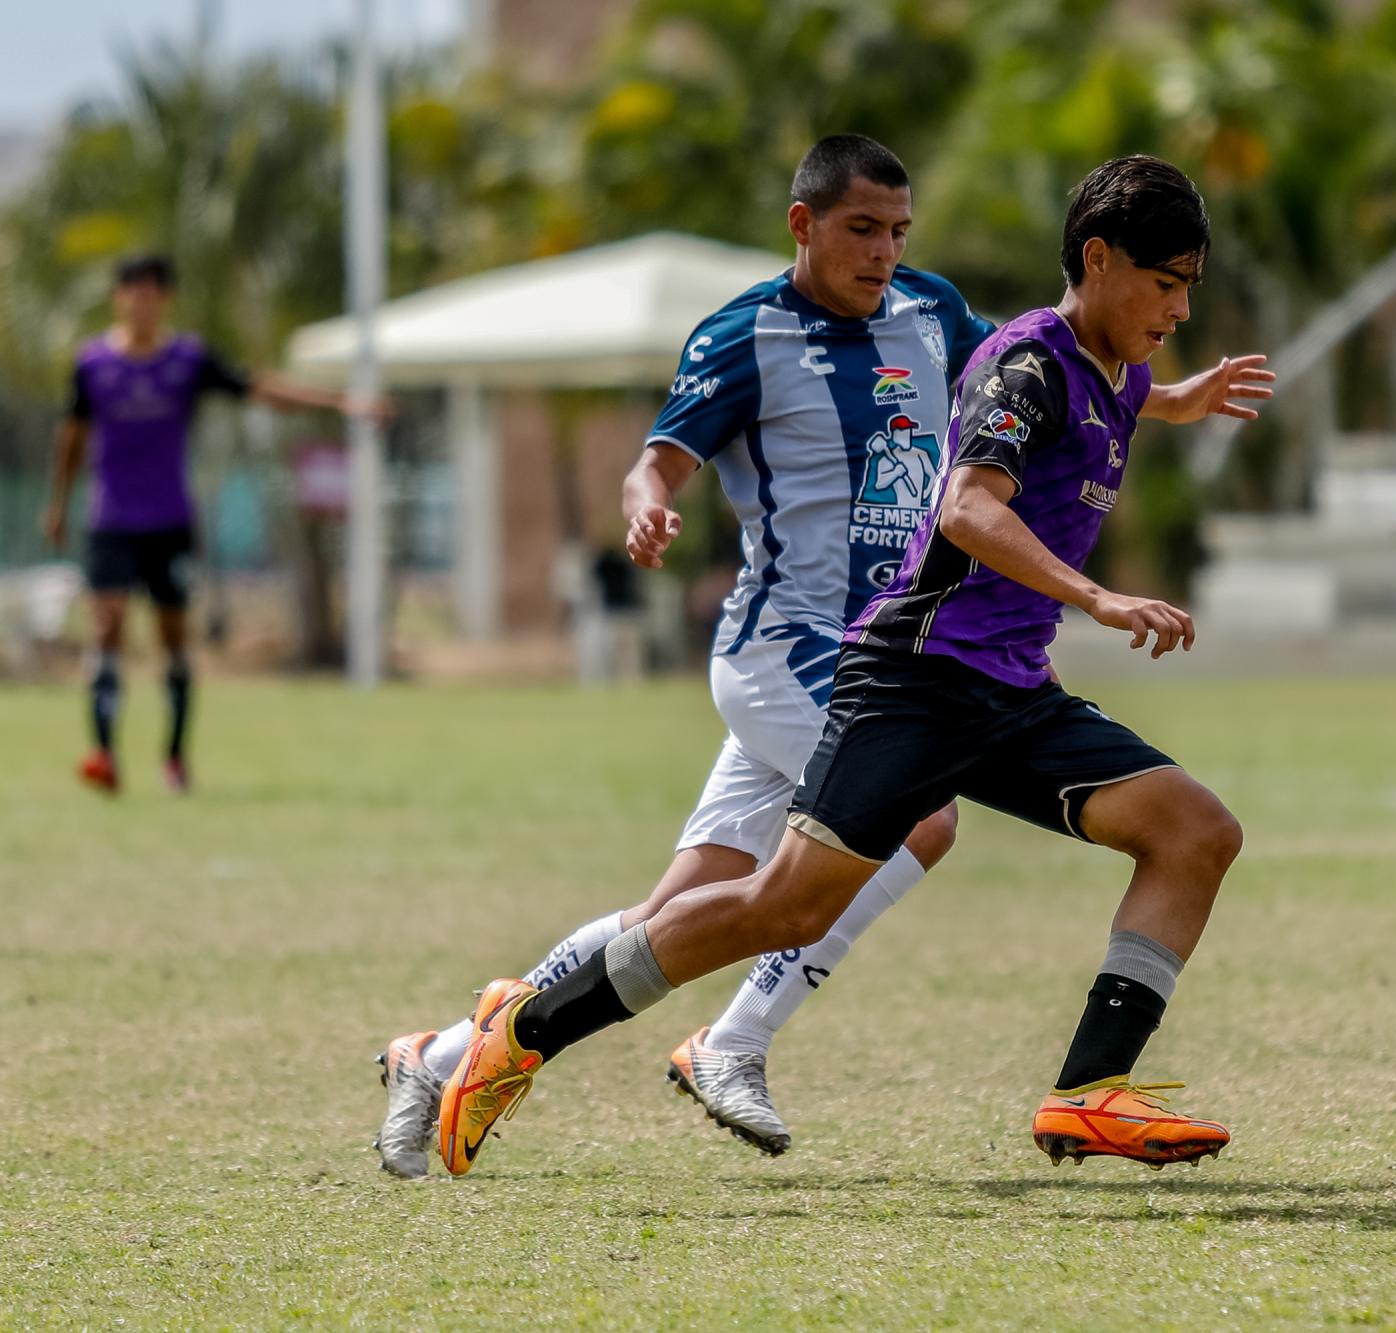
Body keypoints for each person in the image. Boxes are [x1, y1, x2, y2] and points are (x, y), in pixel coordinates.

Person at [373, 139, 1271, 1177]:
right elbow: (970, 500)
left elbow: (1052, 395)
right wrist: (1096, 594)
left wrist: (1175, 396)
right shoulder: (941, 351)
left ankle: (1087, 1092)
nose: (1179, 310)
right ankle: (542, 1030)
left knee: (1194, 832)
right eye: (1165, 286)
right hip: (897, 675)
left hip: (1008, 686)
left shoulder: (1008, 337)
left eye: (899, 230)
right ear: (1099, 258)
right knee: (787, 904)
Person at [41, 254, 383, 794]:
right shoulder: (92, 365)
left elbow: (259, 387)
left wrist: (340, 402)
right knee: (106, 625)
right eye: (132, 292)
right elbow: (72, 435)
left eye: (152, 292)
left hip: (169, 518)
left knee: (173, 638)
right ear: (118, 299)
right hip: (111, 517)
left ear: (166, 299)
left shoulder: (188, 360)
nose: (141, 302)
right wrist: (58, 502)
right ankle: (103, 753)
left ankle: (174, 758)